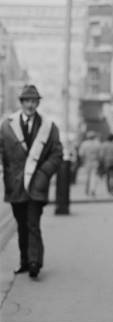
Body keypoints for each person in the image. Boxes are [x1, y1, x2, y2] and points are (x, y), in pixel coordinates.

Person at [0, 84, 63, 278]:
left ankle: (35, 262)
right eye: (27, 101)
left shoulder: (48, 126)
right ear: (21, 103)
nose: (30, 104)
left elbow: (57, 154)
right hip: (15, 185)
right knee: (21, 225)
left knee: (32, 223)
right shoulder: (7, 125)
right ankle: (24, 262)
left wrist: (43, 174)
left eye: (34, 101)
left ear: (38, 103)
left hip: (36, 183)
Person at [78, 131, 101, 197]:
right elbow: (100, 154)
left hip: (87, 161)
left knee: (87, 177)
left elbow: (81, 154)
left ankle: (87, 190)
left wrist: (83, 160)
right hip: (95, 162)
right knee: (94, 176)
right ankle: (93, 190)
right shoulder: (98, 144)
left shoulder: (84, 144)